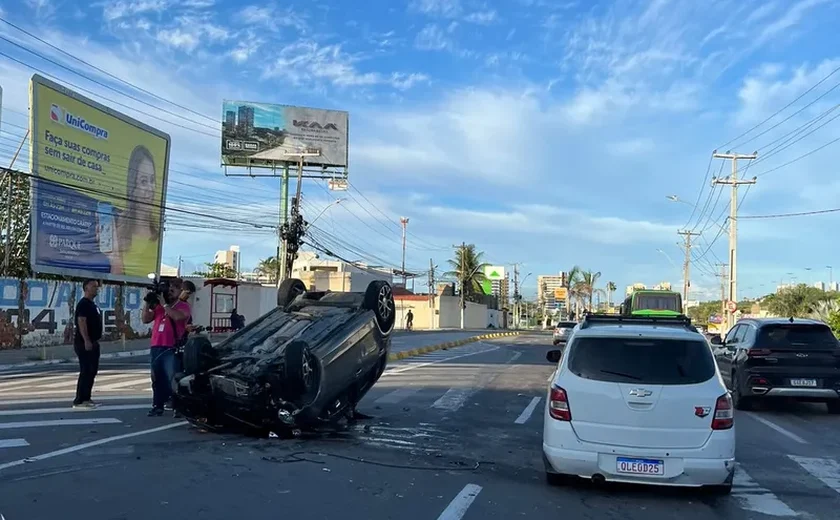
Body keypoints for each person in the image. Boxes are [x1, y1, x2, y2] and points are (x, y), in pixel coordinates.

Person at [107, 145, 160, 277]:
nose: (150, 188)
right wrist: (114, 256)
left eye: (152, 180)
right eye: (143, 182)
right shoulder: (119, 233)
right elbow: (115, 283)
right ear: (133, 188)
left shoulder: (157, 237)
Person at [141, 278, 191, 417]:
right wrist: (147, 302)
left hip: (171, 347)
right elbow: (145, 319)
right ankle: (157, 406)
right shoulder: (160, 307)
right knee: (157, 378)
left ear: (180, 291)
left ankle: (178, 407)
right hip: (157, 345)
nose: (170, 291)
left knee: (173, 378)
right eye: (169, 289)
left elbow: (177, 317)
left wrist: (164, 305)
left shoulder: (183, 306)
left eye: (174, 288)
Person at [73, 279, 103, 409]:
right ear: (86, 288)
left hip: (93, 341)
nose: (96, 288)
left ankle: (87, 397)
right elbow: (81, 321)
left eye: (97, 286)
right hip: (85, 342)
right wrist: (86, 340)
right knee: (86, 370)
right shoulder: (83, 304)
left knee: (92, 371)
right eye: (93, 286)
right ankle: (79, 399)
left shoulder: (92, 305)